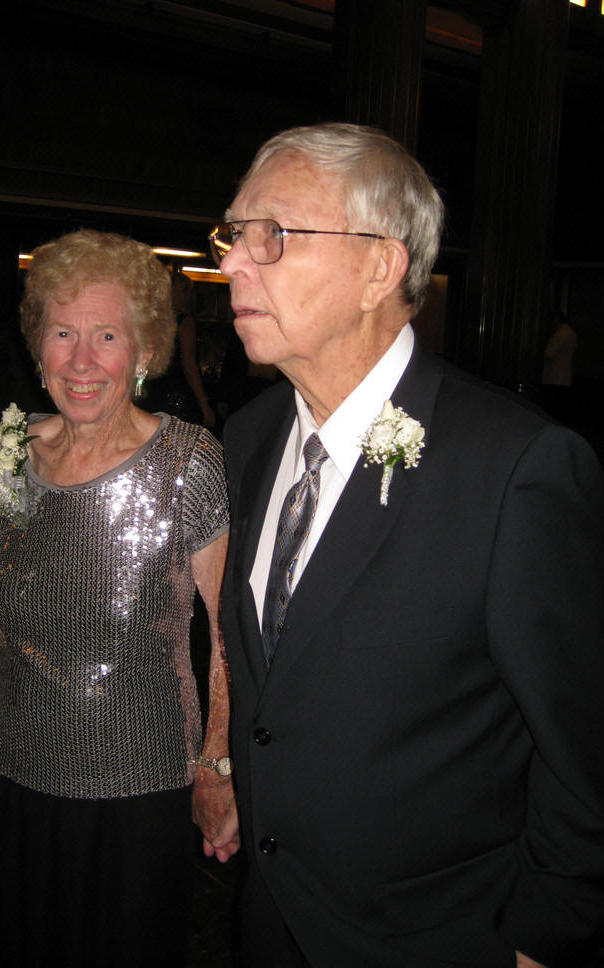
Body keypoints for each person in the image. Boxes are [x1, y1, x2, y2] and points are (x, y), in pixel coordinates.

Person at [207, 123, 604, 968]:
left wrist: (538, 941)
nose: (234, 262)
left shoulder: (515, 469)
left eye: (270, 234)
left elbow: (584, 750)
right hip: (272, 918)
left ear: (380, 268)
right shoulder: (249, 435)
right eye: (233, 235)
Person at [0, 229, 239, 966]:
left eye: (106, 335)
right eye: (64, 333)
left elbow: (225, 633)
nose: (83, 360)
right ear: (39, 347)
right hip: (13, 772)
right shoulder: (10, 449)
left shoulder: (189, 462)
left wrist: (217, 767)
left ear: (143, 352)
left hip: (140, 781)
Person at [141, 270, 216, 428]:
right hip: (176, 391)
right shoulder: (184, 322)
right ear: (183, 294)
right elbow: (189, 366)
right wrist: (204, 404)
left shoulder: (151, 321)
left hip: (151, 390)